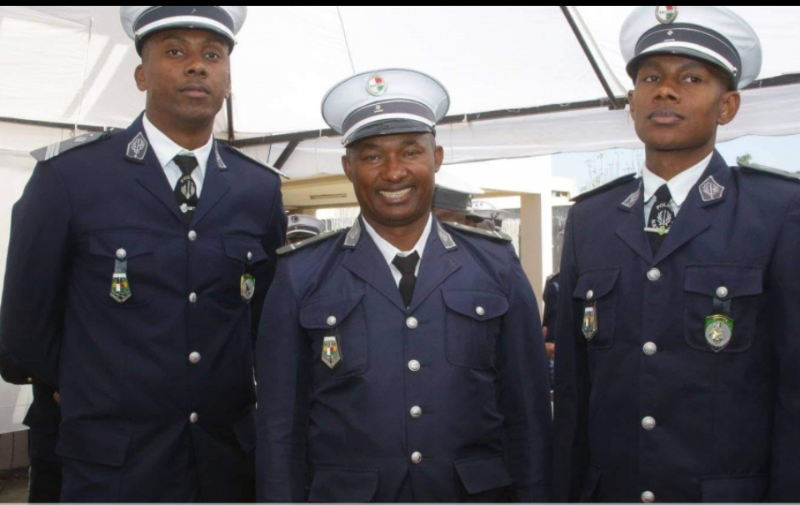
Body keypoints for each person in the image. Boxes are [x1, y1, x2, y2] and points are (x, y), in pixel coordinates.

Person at [0, 6, 286, 501]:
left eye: (212, 55)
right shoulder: (70, 178)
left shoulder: (257, 190)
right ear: (140, 74)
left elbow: (264, 322)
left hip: (224, 466)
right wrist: (83, 387)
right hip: (112, 467)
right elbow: (25, 329)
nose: (197, 66)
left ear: (228, 80)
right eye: (175, 51)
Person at [256, 68, 552, 502]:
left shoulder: (495, 265)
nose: (393, 173)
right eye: (372, 156)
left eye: (410, 152)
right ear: (348, 167)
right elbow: (280, 427)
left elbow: (527, 416)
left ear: (437, 158)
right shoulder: (302, 274)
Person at [553, 6, 800, 502]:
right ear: (631, 101)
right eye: (650, 78)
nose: (664, 90)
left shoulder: (777, 212)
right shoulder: (590, 220)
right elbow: (575, 394)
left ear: (726, 106)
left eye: (690, 78)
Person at [0, 342, 61, 502]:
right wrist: (64, 376)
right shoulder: (30, 320)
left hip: (107, 432)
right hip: (50, 432)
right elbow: (9, 366)